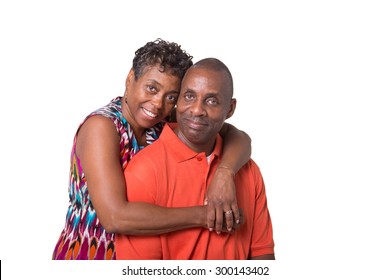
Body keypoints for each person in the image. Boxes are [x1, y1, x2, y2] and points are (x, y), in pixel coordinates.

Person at [52, 39, 252, 260]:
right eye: (152, 88)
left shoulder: (161, 121)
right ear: (130, 79)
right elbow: (114, 217)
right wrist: (207, 215)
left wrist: (224, 173)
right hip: (90, 256)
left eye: (171, 97)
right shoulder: (102, 127)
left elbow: (238, 137)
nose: (158, 104)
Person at [116, 58, 275, 260]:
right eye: (189, 96)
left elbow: (263, 256)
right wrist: (206, 215)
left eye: (211, 101)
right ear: (178, 102)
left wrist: (225, 172)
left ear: (230, 109)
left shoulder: (247, 169)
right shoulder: (144, 171)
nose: (197, 110)